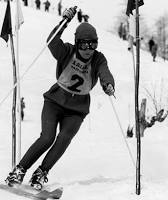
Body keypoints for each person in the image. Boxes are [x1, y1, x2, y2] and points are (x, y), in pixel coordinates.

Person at [5, 7, 115, 190]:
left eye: (93, 44)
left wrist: (108, 84)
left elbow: (105, 73)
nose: (89, 49)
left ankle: (40, 174)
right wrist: (64, 22)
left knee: (64, 138)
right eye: (84, 44)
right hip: (55, 101)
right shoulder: (67, 51)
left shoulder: (98, 59)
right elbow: (52, 41)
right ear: (77, 43)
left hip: (77, 109)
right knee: (47, 137)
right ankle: (19, 170)